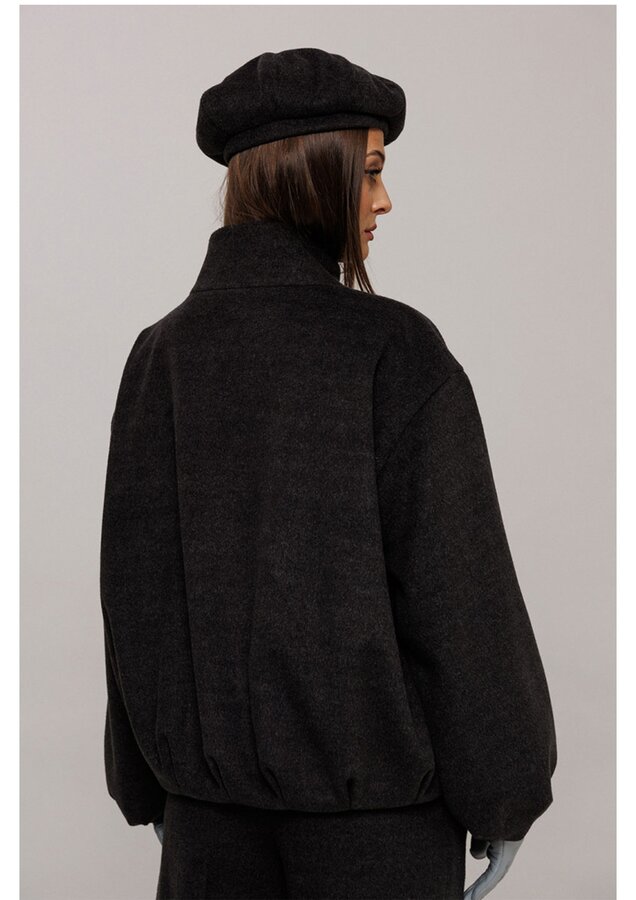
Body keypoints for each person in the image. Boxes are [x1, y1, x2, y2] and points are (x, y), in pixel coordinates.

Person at [99, 48, 557, 900]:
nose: (384, 200)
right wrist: (506, 792)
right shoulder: (393, 350)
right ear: (311, 171)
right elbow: (459, 595)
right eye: (370, 170)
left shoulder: (158, 356)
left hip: (204, 835)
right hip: (376, 842)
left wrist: (146, 781)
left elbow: (134, 591)